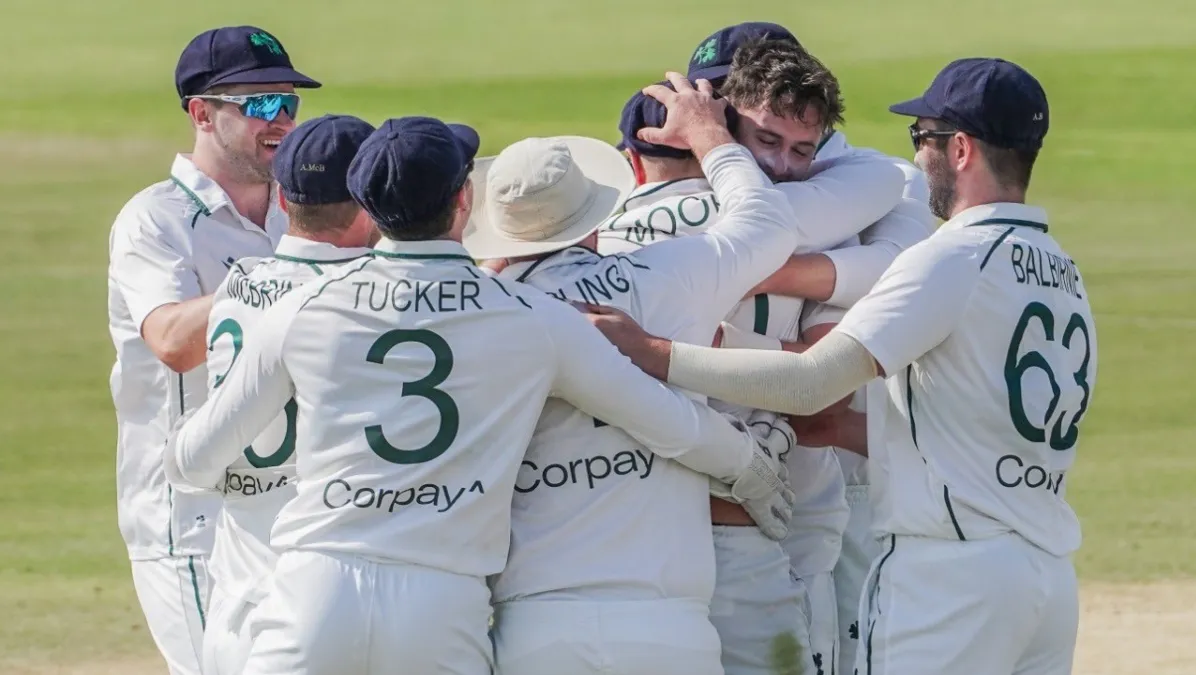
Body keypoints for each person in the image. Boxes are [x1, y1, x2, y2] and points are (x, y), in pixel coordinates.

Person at [165, 115, 791, 675]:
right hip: (443, 602)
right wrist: (751, 469)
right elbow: (665, 421)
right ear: (463, 200)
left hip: (314, 590)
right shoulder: (532, 316)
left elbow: (191, 461)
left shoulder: (303, 307)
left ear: (369, 208)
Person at [584, 57, 1094, 675]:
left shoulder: (953, 257)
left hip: (951, 579)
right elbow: (974, 427)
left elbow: (811, 382)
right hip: (1048, 581)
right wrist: (843, 427)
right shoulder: (1061, 271)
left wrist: (654, 352)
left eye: (923, 137)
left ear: (960, 149)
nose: (917, 158)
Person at [466, 73, 891, 675]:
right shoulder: (672, 270)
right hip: (707, 574)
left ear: (633, 164)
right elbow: (778, 218)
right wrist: (717, 141)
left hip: (538, 608)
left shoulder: (486, 310)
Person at [597, 76, 896, 675]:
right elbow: (823, 399)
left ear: (631, 160)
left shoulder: (599, 243)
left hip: (625, 537)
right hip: (758, 535)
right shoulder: (793, 229)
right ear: (721, 139)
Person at [686, 23, 937, 674]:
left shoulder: (873, 179)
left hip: (823, 501)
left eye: (797, 141)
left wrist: (754, 269)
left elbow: (892, 271)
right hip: (685, 513)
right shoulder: (688, 190)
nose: (778, 160)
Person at [105, 24, 318, 674]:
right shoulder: (156, 220)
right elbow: (171, 340)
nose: (281, 120)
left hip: (288, 505)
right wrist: (278, 281)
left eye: (289, 102)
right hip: (190, 515)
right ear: (202, 113)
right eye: (259, 104)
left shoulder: (300, 212)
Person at [177, 113, 377, 675]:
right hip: (331, 596)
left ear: (284, 201)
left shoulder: (241, 281)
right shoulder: (370, 299)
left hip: (237, 601)